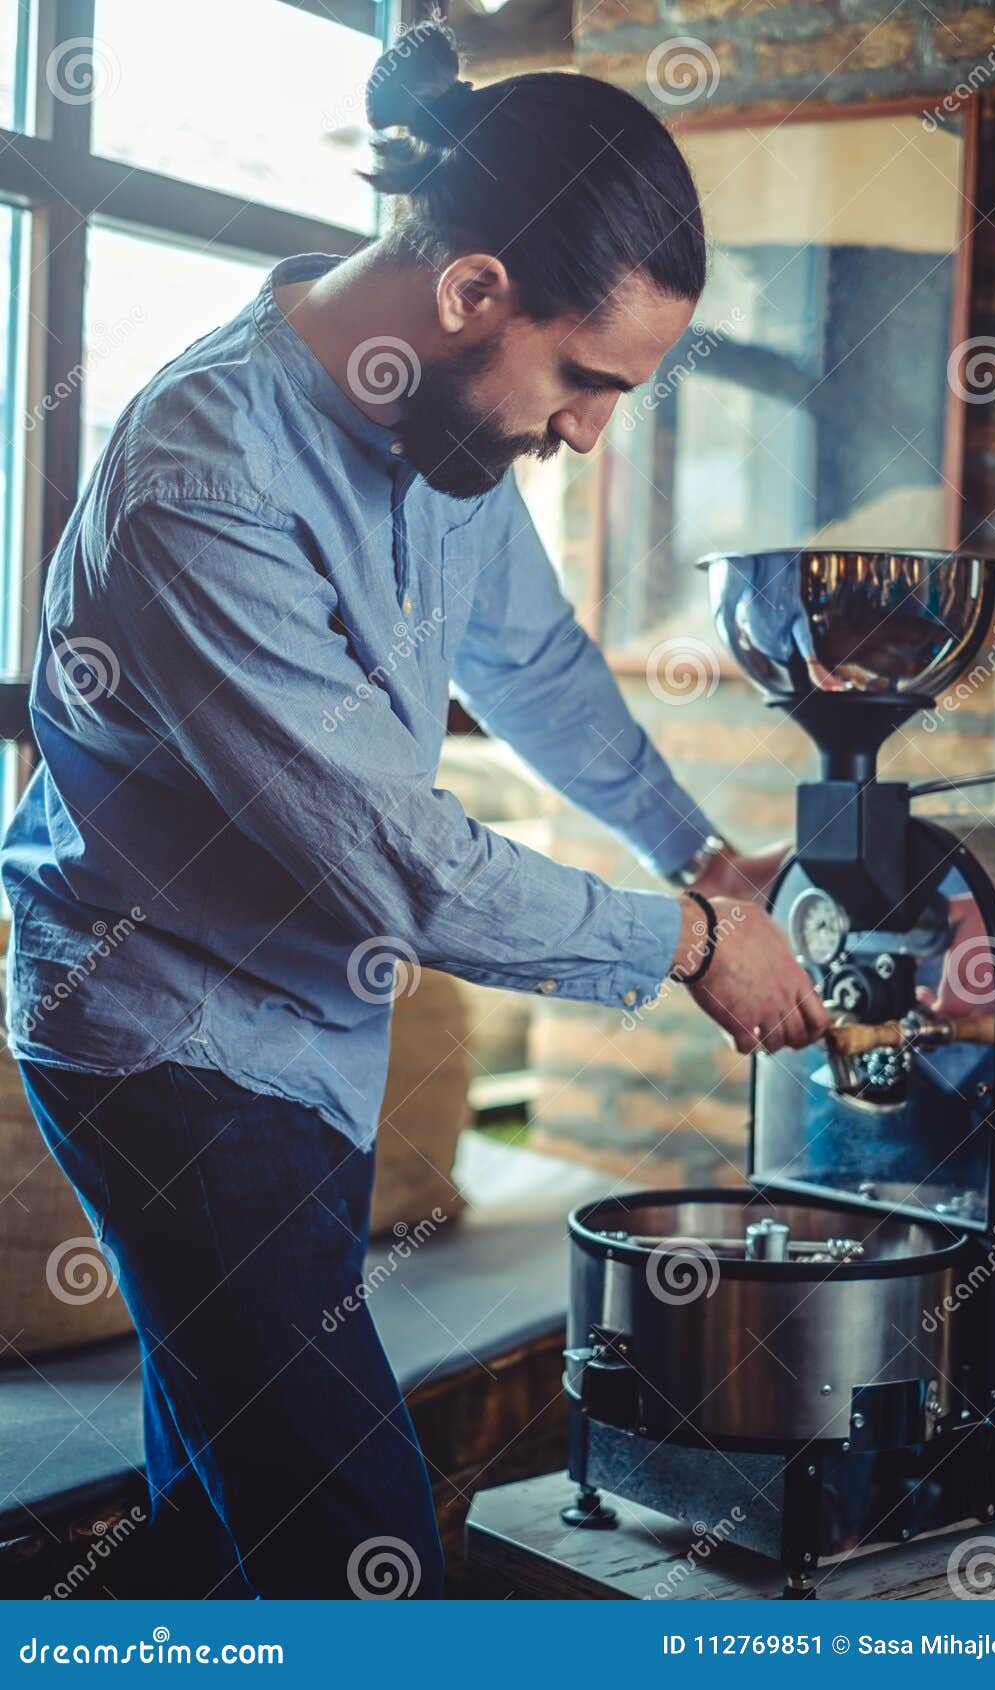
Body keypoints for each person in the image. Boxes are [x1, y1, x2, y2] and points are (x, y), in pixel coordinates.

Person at [1, 21, 829, 1598]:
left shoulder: (438, 426)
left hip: (306, 1046)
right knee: (357, 1539)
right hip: (170, 1054)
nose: (590, 433)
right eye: (588, 380)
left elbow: (531, 659)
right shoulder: (205, 478)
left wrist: (702, 853)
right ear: (472, 294)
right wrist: (692, 937)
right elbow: (401, 865)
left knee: (213, 1530)